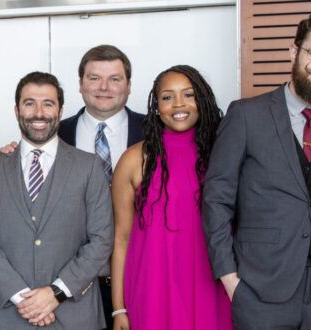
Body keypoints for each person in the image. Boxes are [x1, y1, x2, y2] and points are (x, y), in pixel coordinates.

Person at [203, 10, 311, 329]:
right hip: (259, 288)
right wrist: (229, 278)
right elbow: (217, 200)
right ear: (294, 51)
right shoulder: (246, 116)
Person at [0, 46, 145, 328]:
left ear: (128, 85)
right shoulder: (50, 129)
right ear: (80, 84)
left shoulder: (154, 132)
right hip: (69, 291)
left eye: (114, 78)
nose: (103, 87)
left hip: (139, 278)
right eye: (94, 78)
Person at [0, 72, 114, 329]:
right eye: (29, 103)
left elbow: (102, 239)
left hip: (76, 316)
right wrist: (22, 297)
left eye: (47, 103)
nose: (39, 113)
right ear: (16, 110)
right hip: (10, 316)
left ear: (60, 110)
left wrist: (56, 293)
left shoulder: (89, 166)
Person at [110, 65, 231, 329]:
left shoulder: (225, 155)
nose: (178, 104)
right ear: (156, 106)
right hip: (151, 289)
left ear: (203, 100)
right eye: (167, 97)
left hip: (213, 287)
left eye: (189, 94)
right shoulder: (134, 159)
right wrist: (118, 308)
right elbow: (120, 240)